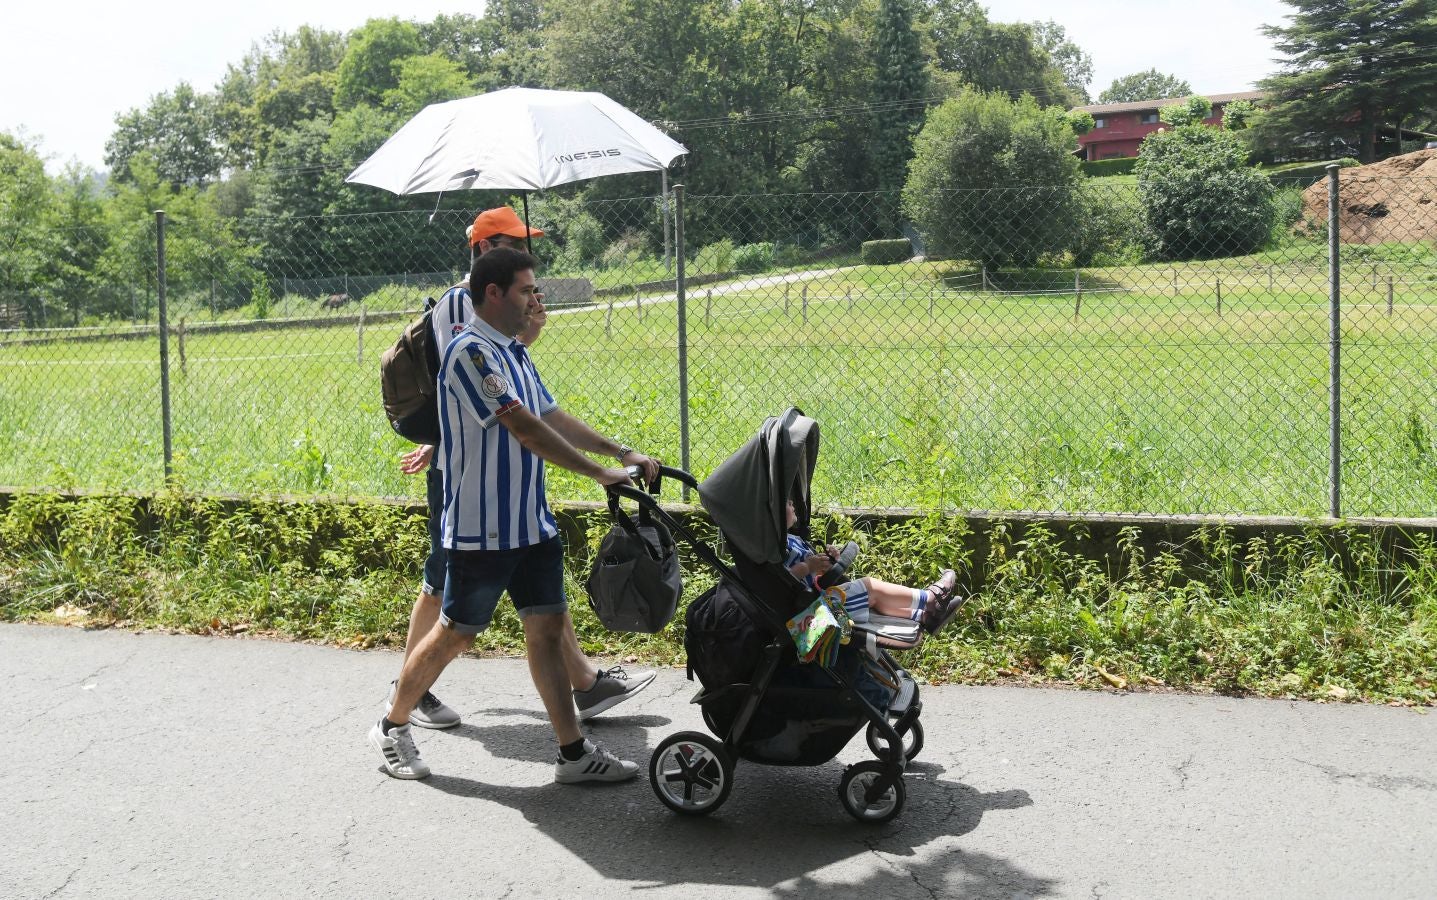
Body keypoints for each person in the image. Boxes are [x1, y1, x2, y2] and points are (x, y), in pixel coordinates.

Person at [371, 247, 661, 783]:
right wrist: (600, 475)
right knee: (455, 634)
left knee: (547, 629)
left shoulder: (515, 353)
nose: (537, 298)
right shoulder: (471, 354)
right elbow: (524, 427)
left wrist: (620, 452)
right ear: (494, 294)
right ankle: (393, 725)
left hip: (531, 523)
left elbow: (550, 414)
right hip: (484, 530)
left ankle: (573, 755)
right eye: (527, 290)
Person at [783, 500, 964, 635]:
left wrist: (826, 563)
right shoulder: (775, 550)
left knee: (875, 600)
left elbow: (810, 575)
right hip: (813, 616)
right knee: (869, 588)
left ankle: (925, 616)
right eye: (785, 502)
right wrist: (808, 565)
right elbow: (783, 581)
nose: (791, 502)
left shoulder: (791, 539)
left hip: (818, 600)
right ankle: (931, 599)